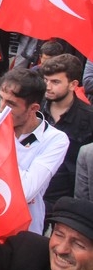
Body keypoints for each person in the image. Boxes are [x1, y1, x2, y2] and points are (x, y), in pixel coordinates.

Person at [0, 22, 70, 234]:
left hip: (23, 232)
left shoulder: (56, 140)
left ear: (33, 108)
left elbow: (25, 190)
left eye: (11, 104)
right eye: (1, 99)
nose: (2, 108)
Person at [40, 54, 93, 213]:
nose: (48, 86)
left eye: (55, 82)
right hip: (34, 189)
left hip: (64, 199)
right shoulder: (35, 109)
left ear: (73, 84)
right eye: (46, 80)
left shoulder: (88, 118)